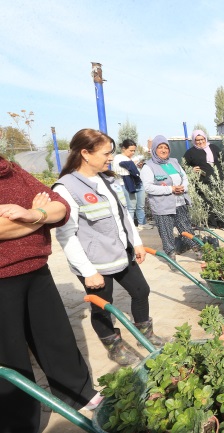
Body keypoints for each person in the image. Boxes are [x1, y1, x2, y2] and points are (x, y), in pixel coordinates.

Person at [0, 154, 102, 432]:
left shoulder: (11, 170)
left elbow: (61, 206)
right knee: (9, 356)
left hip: (36, 270)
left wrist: (35, 214)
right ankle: (18, 423)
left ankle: (78, 393)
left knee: (56, 337)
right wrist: (38, 219)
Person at [54, 128, 166, 366]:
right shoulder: (66, 188)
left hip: (122, 253)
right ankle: (114, 346)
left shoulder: (108, 179)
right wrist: (88, 271)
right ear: (85, 153)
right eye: (106, 153)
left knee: (141, 291)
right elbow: (66, 235)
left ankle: (145, 334)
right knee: (102, 308)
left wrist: (136, 242)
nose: (111, 157)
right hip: (95, 263)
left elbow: (123, 215)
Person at [141, 135, 197, 264]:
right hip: (162, 206)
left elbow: (184, 178)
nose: (163, 150)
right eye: (160, 147)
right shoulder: (148, 166)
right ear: (154, 149)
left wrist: (183, 188)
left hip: (180, 202)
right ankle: (171, 257)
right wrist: (170, 189)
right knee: (166, 233)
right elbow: (148, 187)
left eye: (166, 147)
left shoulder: (173, 162)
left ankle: (197, 249)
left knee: (186, 228)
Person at [183, 129, 224, 230]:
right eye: (197, 140)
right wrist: (191, 169)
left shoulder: (214, 148)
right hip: (203, 182)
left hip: (219, 181)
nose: (200, 142)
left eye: (202, 139)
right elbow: (183, 166)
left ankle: (222, 223)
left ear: (205, 138)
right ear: (194, 140)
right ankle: (211, 223)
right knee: (207, 202)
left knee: (220, 201)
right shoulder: (190, 152)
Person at [113, 138, 151, 230]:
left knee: (140, 205)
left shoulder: (133, 158)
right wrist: (132, 166)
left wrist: (134, 166)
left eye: (134, 150)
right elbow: (120, 171)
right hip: (127, 184)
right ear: (123, 148)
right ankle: (130, 227)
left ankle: (142, 223)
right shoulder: (118, 158)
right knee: (131, 207)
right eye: (131, 150)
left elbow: (135, 170)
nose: (133, 152)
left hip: (138, 183)